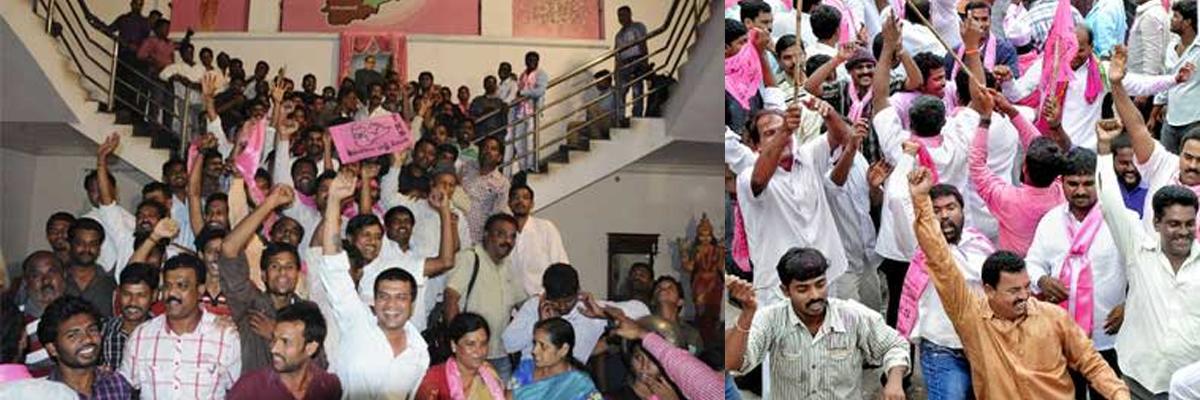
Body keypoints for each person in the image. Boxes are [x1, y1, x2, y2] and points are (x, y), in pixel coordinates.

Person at [907, 165, 1130, 399]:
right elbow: (940, 262)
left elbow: (1091, 362)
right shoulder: (973, 319)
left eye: (1026, 287)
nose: (1024, 295)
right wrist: (921, 200)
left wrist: (1118, 394)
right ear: (989, 291)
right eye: (1013, 291)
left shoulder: (1053, 318)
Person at [1098, 62, 1200, 398]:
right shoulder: (1164, 164)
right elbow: (1137, 126)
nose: (1193, 166)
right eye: (1189, 157)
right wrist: (1117, 86)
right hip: (1142, 268)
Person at [725, 248, 909, 399]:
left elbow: (895, 345)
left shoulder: (852, 316)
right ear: (785, 291)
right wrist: (747, 313)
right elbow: (734, 363)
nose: (814, 295)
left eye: (820, 284)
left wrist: (894, 379)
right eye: (803, 289)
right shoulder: (771, 319)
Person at [314, 170, 430, 399]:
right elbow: (332, 261)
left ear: (412, 304)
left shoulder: (420, 351)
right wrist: (335, 201)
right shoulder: (356, 320)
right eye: (384, 296)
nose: (391, 304)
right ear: (374, 300)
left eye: (401, 297)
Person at [1024, 147, 1129, 399]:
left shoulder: (1120, 220)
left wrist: (1129, 306)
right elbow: (1032, 262)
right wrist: (1042, 280)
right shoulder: (1050, 221)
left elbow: (1142, 273)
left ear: (1100, 181)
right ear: (1062, 183)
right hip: (1060, 336)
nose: (1080, 191)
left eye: (1088, 183)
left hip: (1108, 336)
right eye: (1073, 183)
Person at [731, 102, 851, 308]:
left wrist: (828, 112)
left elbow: (845, 138)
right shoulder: (747, 176)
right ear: (756, 146)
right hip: (779, 290)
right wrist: (785, 129)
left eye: (785, 129)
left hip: (827, 278)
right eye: (770, 133)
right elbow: (759, 181)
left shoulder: (809, 155)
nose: (783, 137)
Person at [120, 254, 242, 399]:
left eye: (182, 286)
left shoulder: (225, 337)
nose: (171, 293)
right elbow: (124, 390)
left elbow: (239, 391)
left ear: (200, 290)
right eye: (167, 286)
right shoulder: (141, 337)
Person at [217, 185, 306, 375]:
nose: (282, 272)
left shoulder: (308, 312)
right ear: (264, 275)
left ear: (298, 274)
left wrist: (276, 334)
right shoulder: (249, 303)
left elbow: (317, 366)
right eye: (275, 266)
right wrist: (269, 203)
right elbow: (229, 249)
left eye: (289, 267)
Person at [504, 263, 649, 364]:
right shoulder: (534, 307)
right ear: (546, 294)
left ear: (578, 291)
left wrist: (603, 314)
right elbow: (508, 344)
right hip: (531, 380)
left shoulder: (587, 309)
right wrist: (539, 325)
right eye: (556, 301)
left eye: (567, 301)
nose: (561, 307)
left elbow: (642, 310)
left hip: (569, 383)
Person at [444, 213, 524, 382]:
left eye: (512, 236)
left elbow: (523, 304)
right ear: (486, 234)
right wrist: (457, 342)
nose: (507, 241)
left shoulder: (509, 266)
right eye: (501, 234)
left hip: (502, 354)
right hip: (472, 355)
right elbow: (451, 298)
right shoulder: (470, 258)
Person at [226, 301, 342, 399]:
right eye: (274, 339)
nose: (274, 349)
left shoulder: (328, 386)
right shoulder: (250, 389)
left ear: (310, 348)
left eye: (285, 342)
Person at [38, 296, 134, 399]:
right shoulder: (44, 394)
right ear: (52, 348)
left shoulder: (117, 385)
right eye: (73, 335)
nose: (88, 339)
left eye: (92, 330)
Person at [415, 312, 507, 399]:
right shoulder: (435, 379)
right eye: (470, 344)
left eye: (483, 344)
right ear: (453, 345)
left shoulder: (489, 376)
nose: (479, 351)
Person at [509, 318, 602, 400]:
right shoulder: (525, 369)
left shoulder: (579, 384)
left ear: (563, 350)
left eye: (543, 346)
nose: (534, 351)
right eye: (535, 343)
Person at [1154, 0, 1200, 154]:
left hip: (1193, 121)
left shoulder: (1198, 49)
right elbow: (1166, 84)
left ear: (1187, 22)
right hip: (1170, 120)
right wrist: (1153, 114)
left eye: (1176, 16)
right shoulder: (1171, 48)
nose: (1171, 20)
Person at [506, 184, 568, 297]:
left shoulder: (546, 228)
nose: (520, 201)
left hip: (542, 299)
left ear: (532, 204)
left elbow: (561, 265)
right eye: (515, 197)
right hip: (511, 304)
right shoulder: (503, 232)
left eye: (525, 197)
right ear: (509, 203)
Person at [100, 263, 158, 370]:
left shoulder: (161, 334)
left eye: (141, 295)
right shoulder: (103, 330)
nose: (133, 302)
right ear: (118, 293)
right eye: (127, 294)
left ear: (154, 296)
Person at [19, 251, 67, 378]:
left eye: (52, 272)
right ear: (25, 281)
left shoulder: (81, 315)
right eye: (36, 275)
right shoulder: (15, 323)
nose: (46, 280)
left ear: (64, 275)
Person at [677, 214, 724, 345]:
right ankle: (701, 340)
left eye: (708, 235)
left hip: (714, 283)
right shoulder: (695, 249)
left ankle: (712, 340)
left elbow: (720, 266)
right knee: (701, 311)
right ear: (698, 236)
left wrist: (722, 250)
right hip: (700, 283)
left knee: (714, 311)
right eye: (702, 235)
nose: (705, 238)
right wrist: (684, 253)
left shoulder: (717, 249)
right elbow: (689, 267)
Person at [461, 136, 511, 244]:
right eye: (485, 147)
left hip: (477, 239)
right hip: (455, 232)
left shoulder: (502, 183)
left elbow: (497, 216)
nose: (488, 151)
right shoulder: (465, 168)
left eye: (493, 149)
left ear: (499, 157)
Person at [63, 218, 116, 318]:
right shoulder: (57, 278)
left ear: (100, 248)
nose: (87, 249)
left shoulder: (111, 283)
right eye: (80, 243)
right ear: (70, 245)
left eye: (93, 244)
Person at [512, 51, 548, 173]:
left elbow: (540, 91)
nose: (531, 62)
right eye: (529, 60)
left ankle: (531, 166)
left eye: (534, 60)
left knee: (530, 141)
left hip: (533, 112)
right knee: (518, 142)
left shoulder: (541, 74)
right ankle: (523, 168)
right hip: (520, 112)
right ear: (525, 61)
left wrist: (523, 93)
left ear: (538, 61)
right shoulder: (522, 75)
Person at [615, 6, 650, 119]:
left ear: (630, 14)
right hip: (623, 64)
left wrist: (645, 62)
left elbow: (642, 44)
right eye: (619, 16)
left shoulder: (638, 27)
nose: (621, 18)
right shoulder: (618, 35)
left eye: (623, 15)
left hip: (636, 60)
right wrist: (616, 70)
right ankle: (620, 116)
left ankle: (637, 116)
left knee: (637, 90)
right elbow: (617, 54)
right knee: (620, 91)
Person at [1111, 134, 1149, 218]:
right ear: (1112, 162)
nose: (1131, 169)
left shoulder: (1152, 190)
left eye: (1136, 162)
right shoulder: (1105, 190)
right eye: (1124, 163)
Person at [470, 75, 508, 141]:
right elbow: (472, 117)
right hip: (481, 134)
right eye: (488, 83)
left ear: (496, 85)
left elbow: (504, 120)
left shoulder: (500, 102)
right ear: (484, 85)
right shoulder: (477, 101)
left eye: (492, 83)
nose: (490, 85)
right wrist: (484, 112)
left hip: (496, 134)